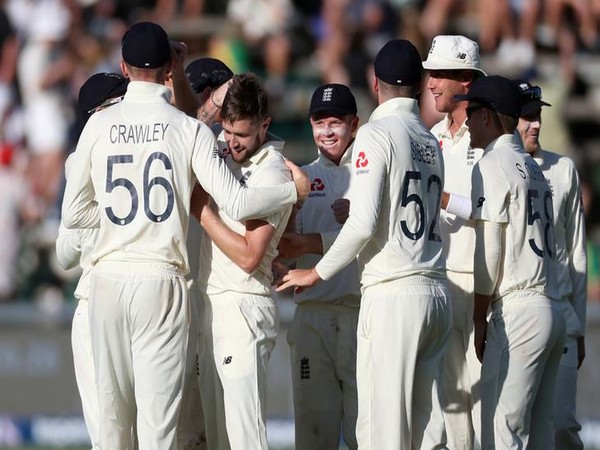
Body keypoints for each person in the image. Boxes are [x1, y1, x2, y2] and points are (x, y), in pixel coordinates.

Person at [60, 22, 307, 449]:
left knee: (112, 432)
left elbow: (73, 214)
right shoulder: (186, 129)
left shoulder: (97, 126)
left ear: (123, 66)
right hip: (161, 280)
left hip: (105, 280)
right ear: (168, 68)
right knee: (160, 432)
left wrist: (119, 227)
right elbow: (237, 205)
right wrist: (293, 190)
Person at [276, 39, 452, 450]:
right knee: (426, 433)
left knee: (379, 434)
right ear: (422, 83)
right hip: (434, 290)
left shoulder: (376, 133)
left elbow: (362, 225)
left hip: (393, 295)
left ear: (376, 85)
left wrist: (314, 270)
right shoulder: (430, 140)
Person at [456, 75, 566, 449]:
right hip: (551, 308)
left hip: (518, 311)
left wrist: (478, 316)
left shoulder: (490, 164)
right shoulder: (532, 167)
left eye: (470, 112)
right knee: (539, 438)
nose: (466, 120)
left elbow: (489, 250)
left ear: (487, 116)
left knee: (502, 436)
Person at [191, 73, 293, 450]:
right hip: (213, 305)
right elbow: (191, 128)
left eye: (243, 135)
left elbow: (250, 256)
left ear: (264, 124)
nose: (232, 143)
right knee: (216, 438)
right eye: (228, 131)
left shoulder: (272, 170)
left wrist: (203, 215)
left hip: (244, 306)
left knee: (245, 438)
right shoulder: (222, 142)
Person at [277, 83, 361, 450]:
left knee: (368, 433)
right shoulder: (301, 179)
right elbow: (287, 256)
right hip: (312, 316)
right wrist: (293, 211)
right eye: (318, 122)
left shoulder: (371, 175)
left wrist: (359, 218)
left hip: (362, 315)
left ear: (354, 124)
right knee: (314, 434)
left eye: (336, 122)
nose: (326, 131)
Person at [56, 72, 129, 450]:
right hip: (101, 298)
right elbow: (64, 252)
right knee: (110, 433)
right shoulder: (79, 162)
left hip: (125, 294)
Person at [422, 34, 486, 450]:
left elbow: (490, 207)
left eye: (440, 74)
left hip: (482, 284)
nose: (430, 83)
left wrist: (441, 197)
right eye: (430, 74)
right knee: (450, 397)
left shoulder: (489, 133)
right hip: (442, 278)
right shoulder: (432, 135)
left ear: (465, 79)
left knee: (482, 397)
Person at [516, 80, 587, 450]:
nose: (536, 124)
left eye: (538, 115)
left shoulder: (564, 170)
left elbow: (577, 253)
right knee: (518, 428)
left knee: (561, 427)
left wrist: (578, 327)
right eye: (526, 116)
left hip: (561, 318)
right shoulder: (496, 169)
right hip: (516, 316)